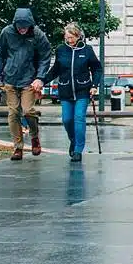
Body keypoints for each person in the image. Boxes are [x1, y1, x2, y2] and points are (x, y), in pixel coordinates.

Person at [0, 8, 52, 161]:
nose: (22, 29)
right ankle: (18, 148)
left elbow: (45, 57)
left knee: (28, 110)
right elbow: (0, 56)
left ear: (30, 24)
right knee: (13, 113)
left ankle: (34, 136)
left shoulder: (38, 34)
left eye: (25, 27)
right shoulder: (6, 33)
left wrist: (40, 77)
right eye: (20, 27)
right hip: (10, 79)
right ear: (15, 24)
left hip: (29, 80)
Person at [44, 23, 102, 163]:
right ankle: (73, 140)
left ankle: (78, 150)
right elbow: (55, 70)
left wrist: (94, 85)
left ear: (78, 36)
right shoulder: (61, 50)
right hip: (65, 90)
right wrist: (42, 80)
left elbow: (97, 69)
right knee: (67, 120)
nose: (69, 40)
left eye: (71, 37)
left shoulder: (87, 50)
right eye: (67, 37)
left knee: (79, 118)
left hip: (83, 90)